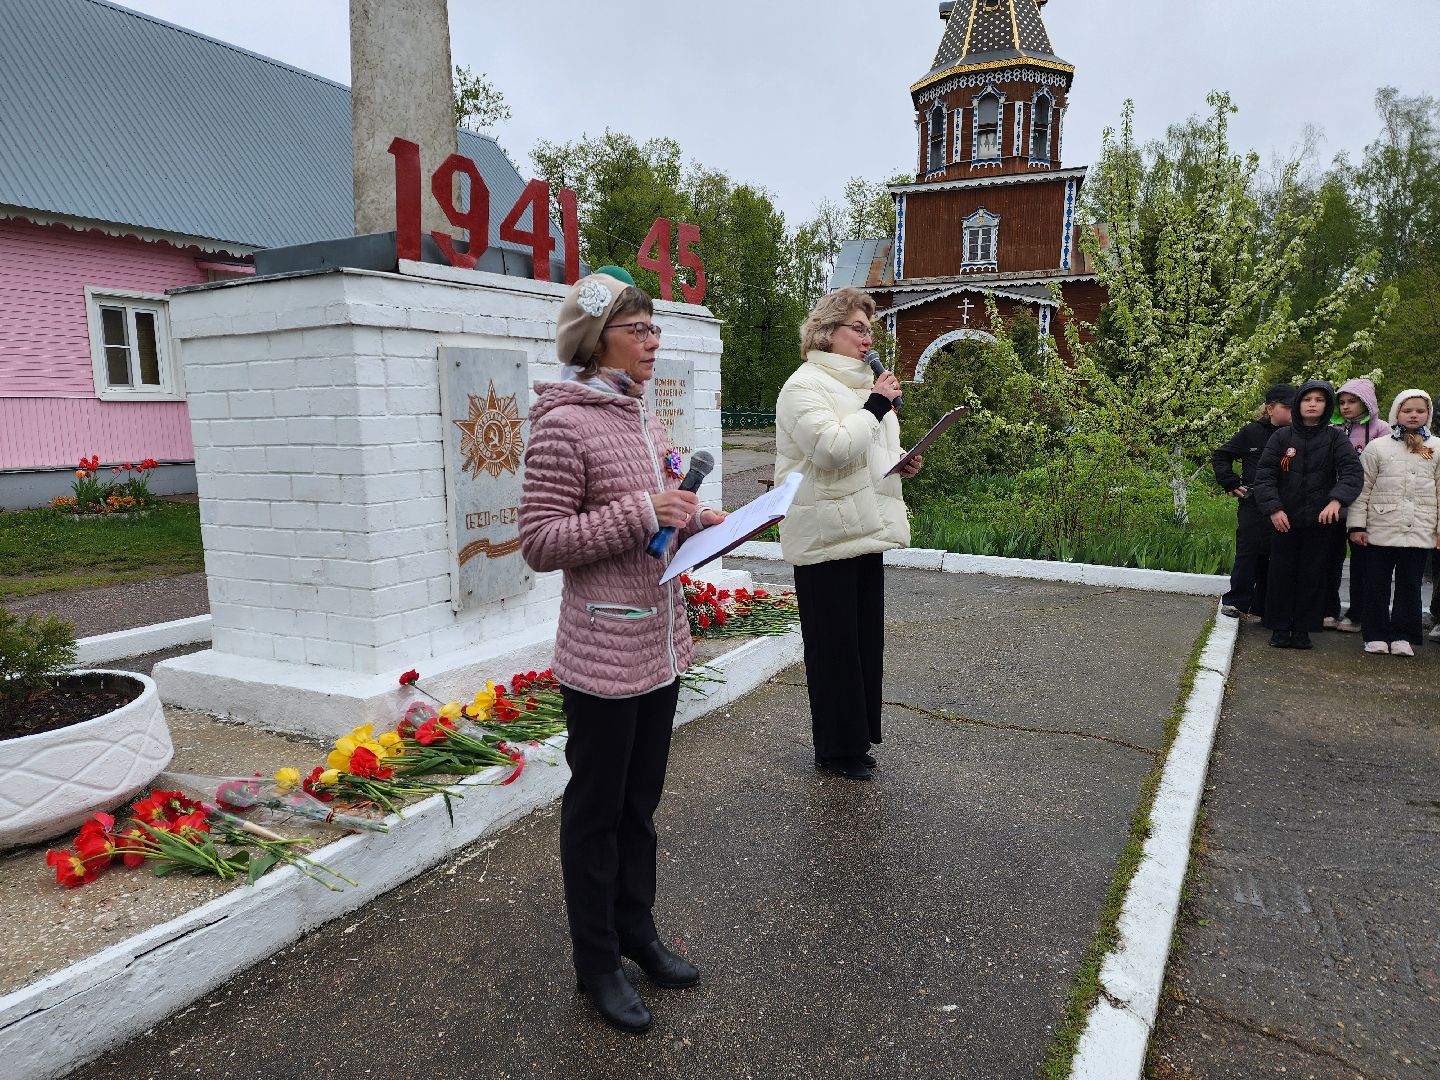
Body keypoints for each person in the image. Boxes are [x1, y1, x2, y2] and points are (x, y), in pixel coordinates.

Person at [519, 271, 725, 1035]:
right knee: (597, 813)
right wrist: (643, 510)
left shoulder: (639, 415)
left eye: (654, 329)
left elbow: (668, 496)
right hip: (604, 651)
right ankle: (596, 961)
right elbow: (540, 542)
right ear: (594, 338)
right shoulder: (563, 423)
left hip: (659, 644)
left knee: (640, 808)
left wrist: (708, 516)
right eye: (637, 329)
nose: (652, 342)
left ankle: (636, 931)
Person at [773, 287, 921, 781]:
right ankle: (834, 751)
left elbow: (866, 453)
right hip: (822, 532)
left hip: (863, 526)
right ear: (825, 332)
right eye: (858, 328)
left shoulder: (865, 387)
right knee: (832, 645)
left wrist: (902, 464)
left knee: (861, 642)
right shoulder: (804, 386)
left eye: (870, 330)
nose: (867, 338)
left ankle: (856, 741)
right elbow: (833, 450)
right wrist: (877, 406)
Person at [1252, 380, 1363, 649]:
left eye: (1319, 399)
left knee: (1313, 576)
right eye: (1307, 399)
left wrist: (1337, 501)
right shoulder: (1281, 437)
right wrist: (1274, 509)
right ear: (1298, 404)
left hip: (1320, 522)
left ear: (1327, 406)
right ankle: (1279, 628)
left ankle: (1303, 629)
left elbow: (1352, 473)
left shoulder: (1335, 438)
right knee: (1280, 574)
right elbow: (1265, 476)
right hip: (1284, 521)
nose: (1312, 404)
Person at [1348, 389, 1440, 656]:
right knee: (1376, 583)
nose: (1413, 415)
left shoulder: (1436, 448)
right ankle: (1375, 634)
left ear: (1428, 414)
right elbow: (1362, 489)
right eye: (1407, 410)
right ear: (1396, 413)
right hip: (1380, 528)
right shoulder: (1378, 446)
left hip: (1419, 529)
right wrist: (1357, 526)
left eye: (1420, 411)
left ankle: (1403, 636)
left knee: (1410, 585)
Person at [1212, 385, 1294, 620]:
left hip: (1284, 504)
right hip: (1253, 503)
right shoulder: (1251, 432)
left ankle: (1263, 605)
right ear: (1270, 408)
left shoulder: (1297, 435)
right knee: (1249, 551)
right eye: (1286, 407)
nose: (1292, 413)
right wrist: (1229, 481)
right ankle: (1236, 601)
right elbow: (1221, 455)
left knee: (1275, 554)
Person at [1325, 379, 1391, 631]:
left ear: (1366, 403)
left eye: (1352, 401)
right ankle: (1328, 609)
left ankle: (1357, 614)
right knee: (1330, 558)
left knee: (1362, 562)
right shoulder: (1331, 429)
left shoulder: (1382, 429)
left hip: (1365, 505)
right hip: (1333, 503)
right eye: (1341, 402)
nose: (1345, 407)